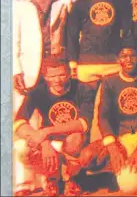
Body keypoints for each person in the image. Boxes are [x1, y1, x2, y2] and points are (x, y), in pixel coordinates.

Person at [67, 46, 137, 194]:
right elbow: (103, 118)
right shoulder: (109, 81)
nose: (128, 60)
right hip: (122, 139)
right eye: (123, 56)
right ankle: (117, 172)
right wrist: (113, 148)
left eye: (132, 55)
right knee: (87, 157)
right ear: (117, 59)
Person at [12, 0, 72, 196]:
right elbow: (12, 41)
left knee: (53, 120)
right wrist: (16, 68)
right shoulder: (20, 6)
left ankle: (55, 178)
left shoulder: (63, 3)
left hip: (54, 70)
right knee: (26, 123)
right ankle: (25, 183)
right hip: (27, 70)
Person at [66, 0, 134, 141]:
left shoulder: (121, 1)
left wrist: (125, 60)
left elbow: (127, 34)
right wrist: (73, 63)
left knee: (112, 108)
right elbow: (71, 35)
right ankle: (86, 151)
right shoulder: (80, 4)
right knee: (86, 109)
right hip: (87, 65)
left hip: (113, 63)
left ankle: (112, 147)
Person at [12, 56, 95, 196]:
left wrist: (47, 131)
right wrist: (44, 142)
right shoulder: (37, 92)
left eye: (62, 75)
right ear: (45, 76)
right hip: (49, 143)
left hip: (74, 143)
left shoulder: (83, 88)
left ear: (70, 73)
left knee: (76, 138)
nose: (57, 80)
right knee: (21, 148)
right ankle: (52, 179)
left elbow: (83, 123)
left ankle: (71, 179)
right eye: (52, 76)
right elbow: (19, 123)